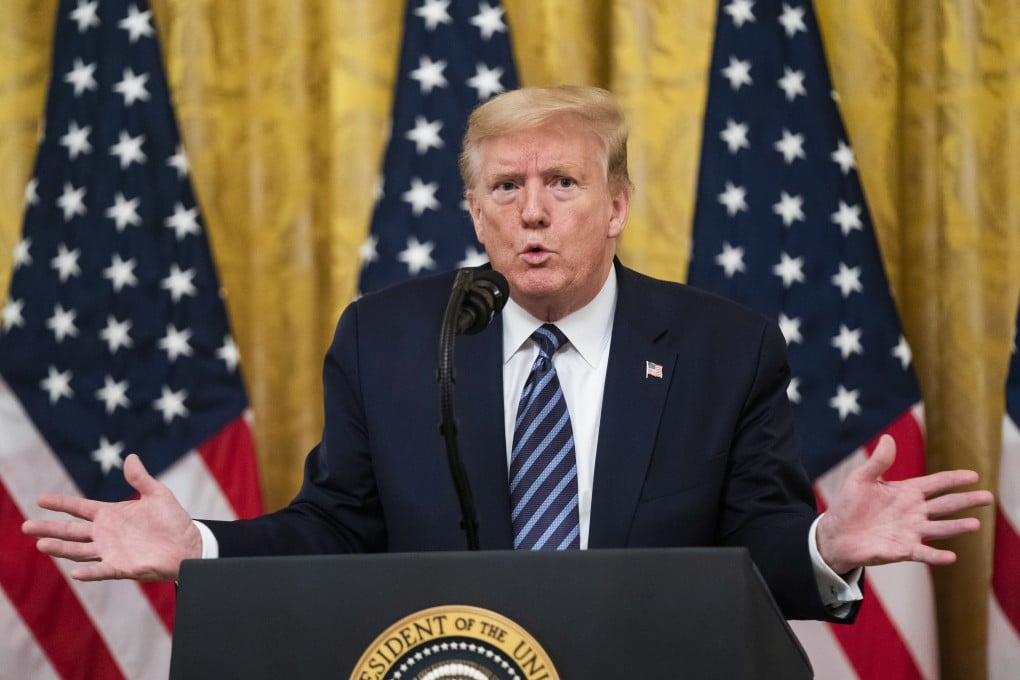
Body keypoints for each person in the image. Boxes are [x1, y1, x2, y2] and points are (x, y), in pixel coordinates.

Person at [23, 85, 992, 621]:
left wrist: (827, 542)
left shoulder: (721, 348)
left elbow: (757, 549)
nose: (532, 210)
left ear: (617, 205)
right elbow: (339, 527)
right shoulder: (392, 336)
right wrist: (198, 544)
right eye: (505, 186)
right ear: (474, 211)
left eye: (563, 182)